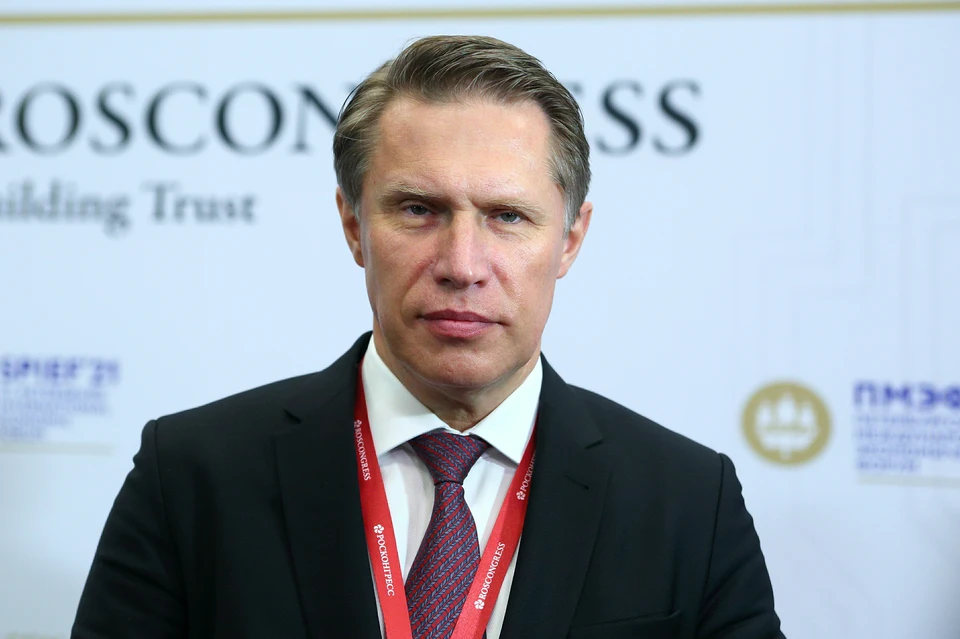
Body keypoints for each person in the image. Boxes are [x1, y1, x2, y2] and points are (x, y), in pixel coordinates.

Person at [72, 35, 786, 639]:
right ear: (354, 226)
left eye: (507, 216)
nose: (462, 265)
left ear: (570, 238)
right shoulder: (191, 476)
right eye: (418, 209)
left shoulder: (689, 502)